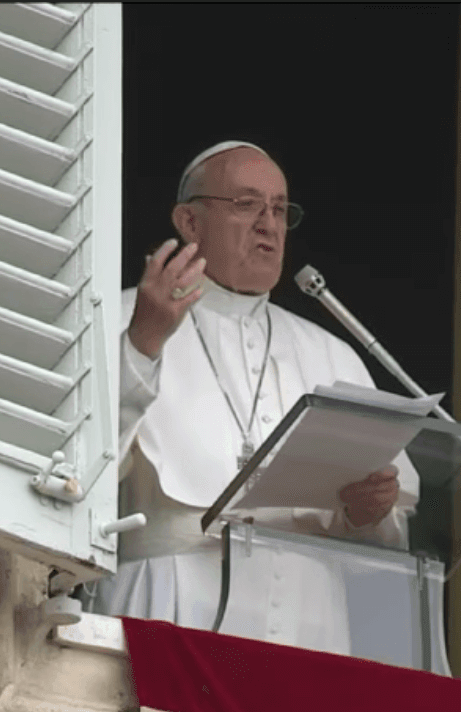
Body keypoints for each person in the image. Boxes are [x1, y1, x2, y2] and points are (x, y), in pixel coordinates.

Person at [95, 141, 420, 655]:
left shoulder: (331, 355)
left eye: (279, 209)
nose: (269, 224)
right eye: (247, 205)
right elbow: (83, 468)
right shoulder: (121, 320)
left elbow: (383, 547)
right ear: (190, 221)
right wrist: (144, 344)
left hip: (310, 625)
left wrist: (370, 512)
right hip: (172, 604)